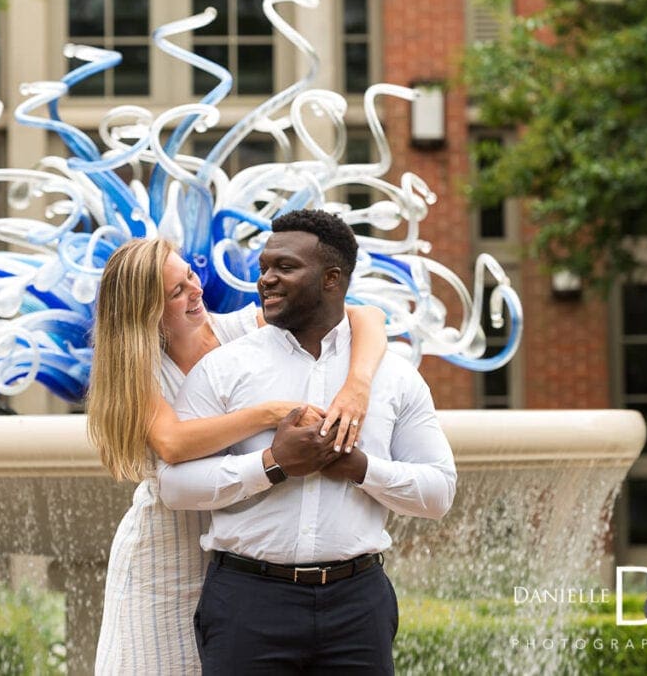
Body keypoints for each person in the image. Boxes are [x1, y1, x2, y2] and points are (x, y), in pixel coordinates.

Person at [158, 209, 457, 674]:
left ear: (332, 279)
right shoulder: (222, 369)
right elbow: (174, 487)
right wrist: (274, 463)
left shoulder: (394, 377)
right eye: (263, 268)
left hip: (358, 605)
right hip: (248, 603)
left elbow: (439, 492)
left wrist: (360, 468)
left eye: (285, 267)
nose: (266, 280)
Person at [87, 236, 388, 675]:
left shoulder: (244, 330)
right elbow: (172, 442)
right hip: (165, 557)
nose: (196, 290)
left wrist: (357, 386)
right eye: (177, 292)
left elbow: (368, 316)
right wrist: (266, 413)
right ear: (146, 313)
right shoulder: (140, 368)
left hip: (237, 561)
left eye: (190, 275)